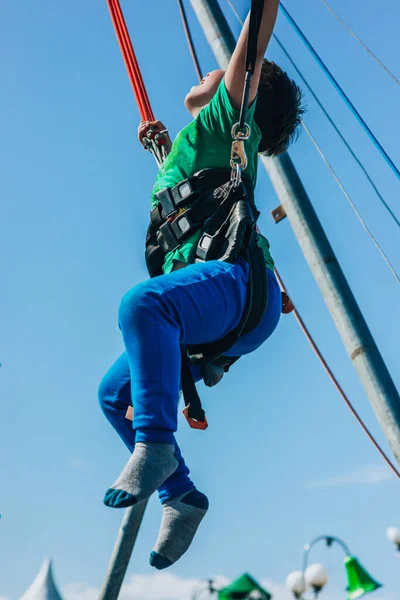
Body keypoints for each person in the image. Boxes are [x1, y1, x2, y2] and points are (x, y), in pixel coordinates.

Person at [98, 0, 303, 570]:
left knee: (142, 306)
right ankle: (182, 497)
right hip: (219, 308)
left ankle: (157, 445)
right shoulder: (197, 143)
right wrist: (163, 148)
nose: (211, 72)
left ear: (247, 90)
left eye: (227, 71)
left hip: (237, 289)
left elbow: (253, 43)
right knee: (114, 396)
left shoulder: (226, 121)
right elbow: (188, 199)